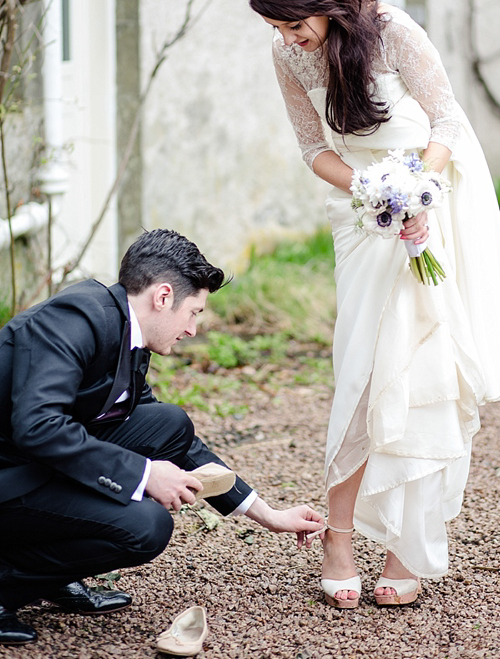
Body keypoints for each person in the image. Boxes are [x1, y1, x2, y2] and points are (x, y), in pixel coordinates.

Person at [244, 0, 500, 609]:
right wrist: (370, 190)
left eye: (294, 22)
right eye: (277, 26)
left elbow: (447, 124)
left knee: (429, 371)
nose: (290, 37)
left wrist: (416, 189)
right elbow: (313, 148)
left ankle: (411, 542)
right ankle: (337, 535)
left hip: (436, 210)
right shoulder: (287, 58)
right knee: (363, 372)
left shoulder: (393, 30)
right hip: (364, 223)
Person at [0, 228, 324, 645]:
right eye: (194, 312)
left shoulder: (129, 332)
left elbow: (174, 441)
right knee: (145, 526)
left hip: (33, 465)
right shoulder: (74, 319)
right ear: (163, 296)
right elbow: (38, 426)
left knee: (168, 421)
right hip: (10, 473)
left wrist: (268, 514)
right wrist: (144, 474)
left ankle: (50, 574)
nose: (192, 329)